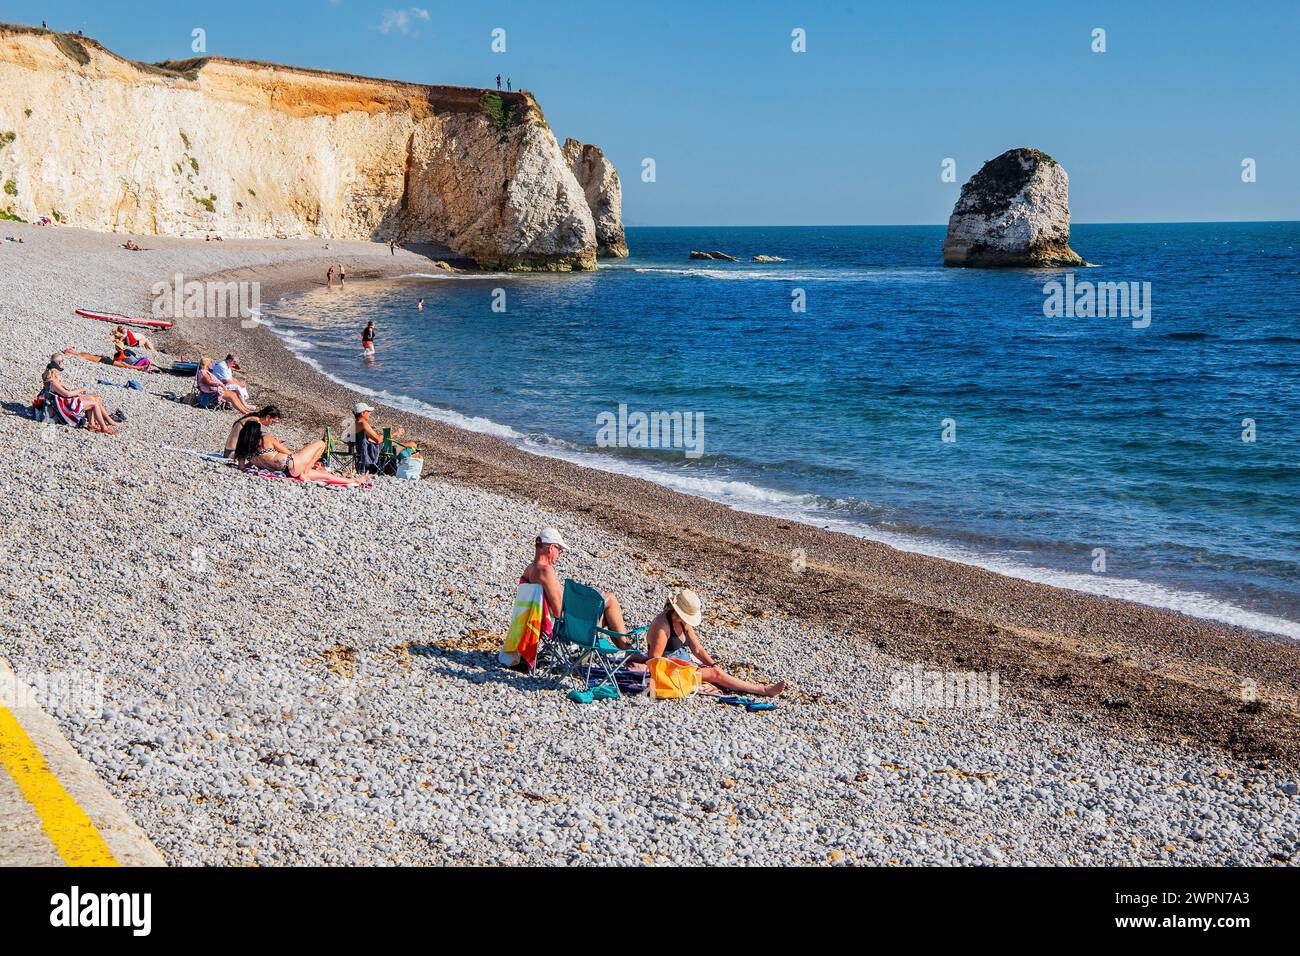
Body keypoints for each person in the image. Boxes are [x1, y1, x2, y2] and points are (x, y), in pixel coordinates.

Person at [646, 588, 786, 697]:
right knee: (716, 675)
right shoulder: (662, 626)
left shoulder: (683, 623)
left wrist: (713, 664)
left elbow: (698, 649)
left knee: (716, 671)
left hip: (684, 666)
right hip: (671, 670)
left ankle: (750, 686)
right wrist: (685, 666)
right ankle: (762, 689)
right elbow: (655, 660)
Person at [520, 528, 630, 647]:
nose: (559, 554)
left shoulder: (530, 569)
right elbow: (558, 611)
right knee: (610, 600)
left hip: (559, 623)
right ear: (552, 548)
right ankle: (629, 652)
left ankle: (628, 652)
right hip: (568, 627)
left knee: (607, 613)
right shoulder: (545, 570)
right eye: (559, 550)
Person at [232, 419, 362, 484]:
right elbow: (288, 453)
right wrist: (277, 444)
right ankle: (305, 471)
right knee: (321, 444)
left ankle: (356, 481)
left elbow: (242, 467)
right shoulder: (266, 439)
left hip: (285, 472)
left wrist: (254, 464)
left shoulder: (244, 450)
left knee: (325, 476)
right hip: (290, 464)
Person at [42, 354, 118, 434]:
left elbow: (63, 389)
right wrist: (80, 389)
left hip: (63, 402)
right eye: (58, 373)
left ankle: (92, 424)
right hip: (64, 407)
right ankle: (104, 428)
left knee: (93, 398)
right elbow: (67, 394)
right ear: (54, 372)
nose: (59, 375)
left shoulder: (52, 380)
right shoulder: (53, 382)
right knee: (94, 404)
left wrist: (69, 387)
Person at [352, 402, 420, 471]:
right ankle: (404, 469)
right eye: (368, 411)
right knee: (412, 445)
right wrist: (395, 433)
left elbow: (365, 441)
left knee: (406, 445)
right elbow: (378, 440)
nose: (370, 414)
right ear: (362, 413)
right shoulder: (363, 423)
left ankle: (398, 467)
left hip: (368, 450)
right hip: (375, 451)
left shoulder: (355, 424)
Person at [62, 345, 153, 372]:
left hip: (102, 358)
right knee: (123, 364)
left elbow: (73, 353)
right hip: (103, 360)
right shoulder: (80, 356)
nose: (70, 349)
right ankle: (139, 368)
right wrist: (69, 353)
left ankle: (140, 368)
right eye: (70, 350)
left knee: (123, 364)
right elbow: (70, 354)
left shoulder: (80, 354)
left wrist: (71, 351)